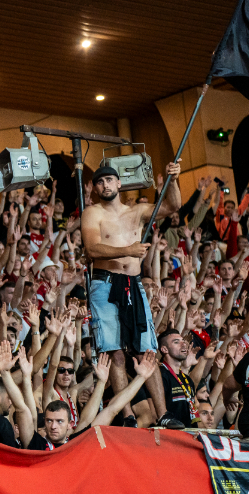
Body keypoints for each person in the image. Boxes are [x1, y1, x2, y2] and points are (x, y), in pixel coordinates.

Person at [82, 162, 184, 429]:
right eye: (100, 181)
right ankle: (126, 415)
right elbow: (92, 249)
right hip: (105, 283)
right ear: (95, 188)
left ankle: (163, 414)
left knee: (146, 349)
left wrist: (173, 180)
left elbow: (172, 206)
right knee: (115, 351)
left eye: (109, 180)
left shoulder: (137, 211)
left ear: (119, 183)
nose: (105, 185)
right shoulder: (92, 213)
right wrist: (128, 250)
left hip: (133, 282)